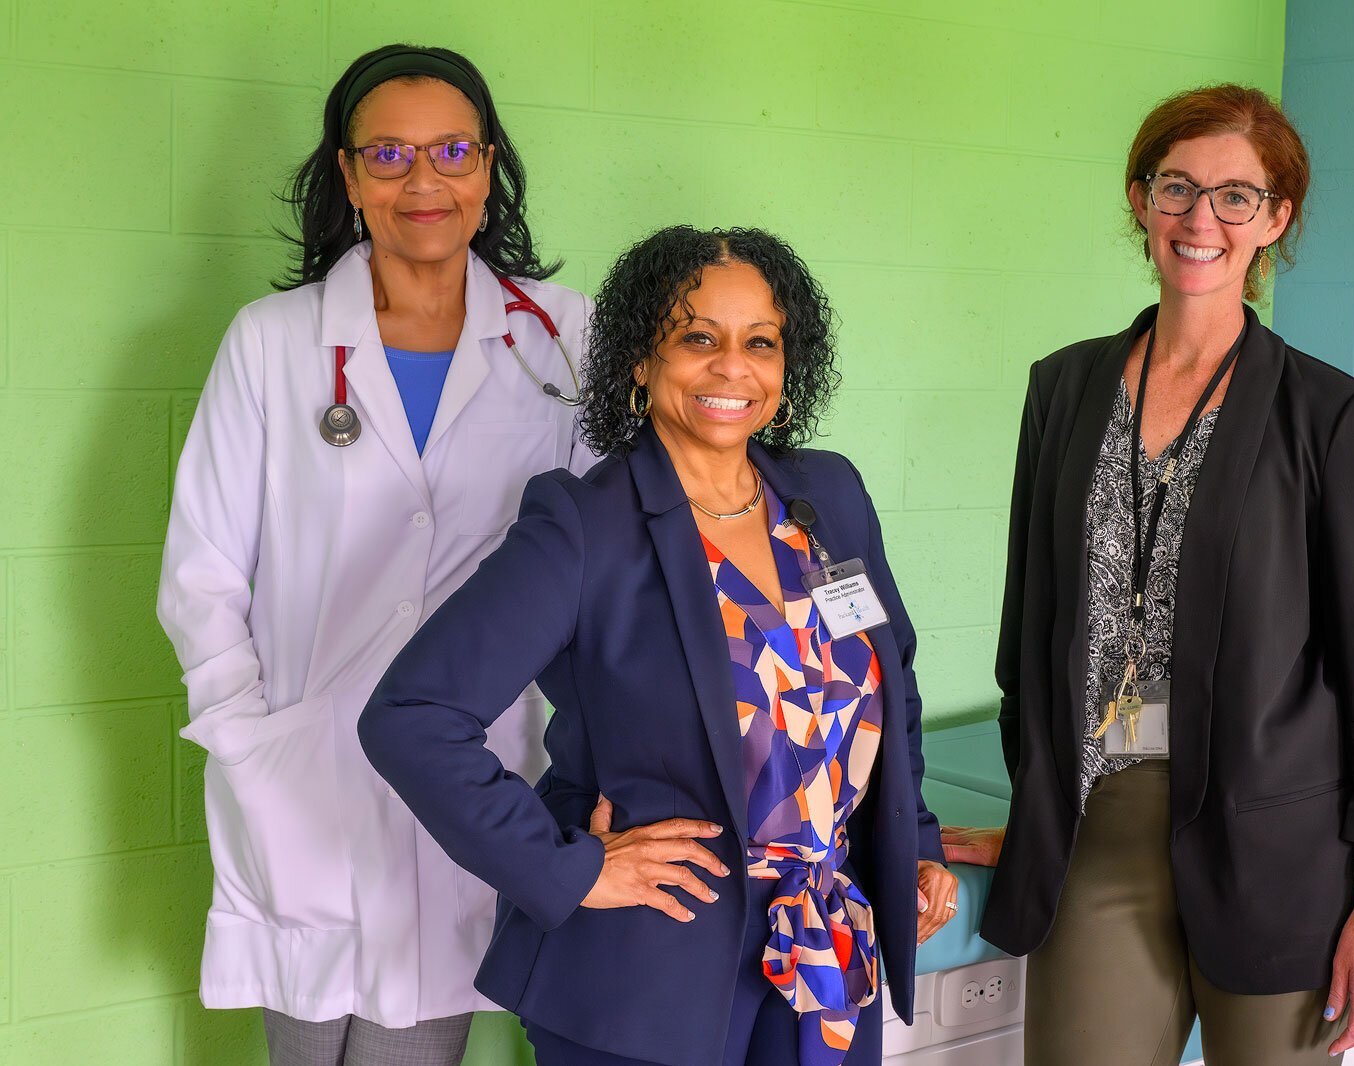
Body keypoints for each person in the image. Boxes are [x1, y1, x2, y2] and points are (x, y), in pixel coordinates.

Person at [359, 225, 959, 1066]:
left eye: (760, 342)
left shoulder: (829, 495)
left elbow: (891, 682)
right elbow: (412, 717)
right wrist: (568, 868)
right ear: (641, 361)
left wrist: (915, 844)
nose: (732, 368)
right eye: (697, 339)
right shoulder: (584, 526)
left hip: (824, 951)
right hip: (651, 972)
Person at [939, 84, 1354, 1065]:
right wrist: (1038, 817)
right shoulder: (1063, 388)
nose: (1200, 218)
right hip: (1098, 833)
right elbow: (1028, 635)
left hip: (1276, 848)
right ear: (1140, 199)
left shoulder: (1327, 415)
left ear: (1276, 218)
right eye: (1176, 187)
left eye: (1235, 196)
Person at [156, 43, 594, 1066]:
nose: (422, 180)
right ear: (349, 177)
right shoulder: (274, 339)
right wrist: (244, 734)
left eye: (451, 150)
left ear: (488, 167)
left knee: (419, 1037)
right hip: (302, 763)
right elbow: (200, 567)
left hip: (473, 762)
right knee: (305, 1042)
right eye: (388, 154)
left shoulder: (564, 336)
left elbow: (603, 554)